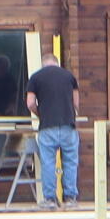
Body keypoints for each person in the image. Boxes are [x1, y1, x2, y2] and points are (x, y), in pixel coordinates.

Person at [24, 53, 80, 206]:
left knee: (48, 162)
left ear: (43, 64)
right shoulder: (69, 76)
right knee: (70, 161)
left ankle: (50, 199)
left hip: (47, 127)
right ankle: (70, 198)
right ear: (57, 63)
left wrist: (41, 114)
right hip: (68, 125)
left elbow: (30, 103)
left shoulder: (35, 78)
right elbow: (76, 103)